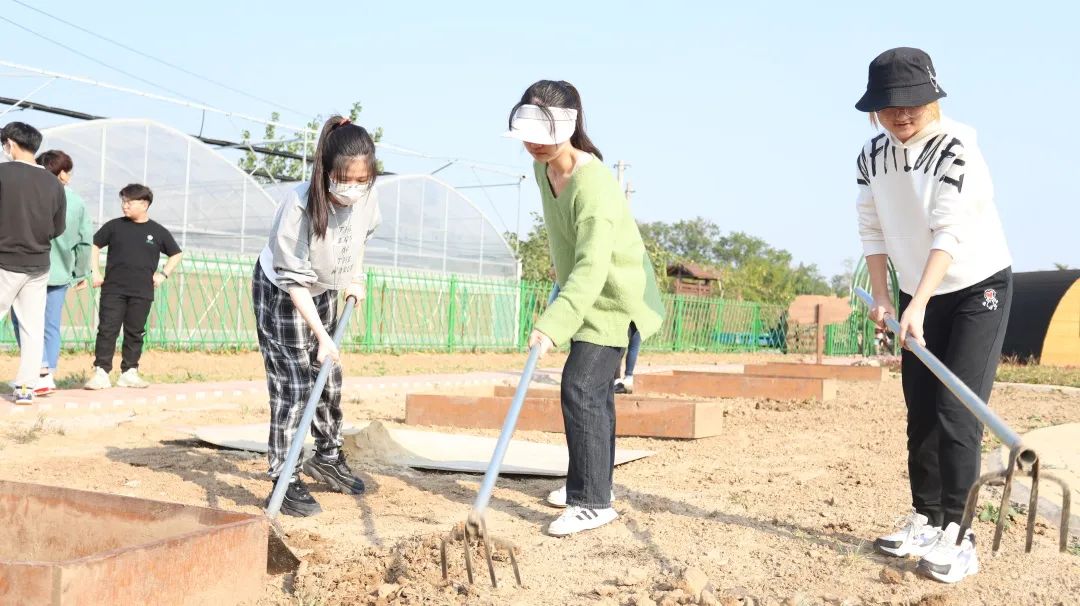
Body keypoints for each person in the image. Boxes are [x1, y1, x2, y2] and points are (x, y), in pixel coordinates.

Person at [854, 48, 1013, 584]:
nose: (902, 114)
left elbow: (949, 232)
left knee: (956, 411)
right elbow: (872, 230)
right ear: (874, 108)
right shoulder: (871, 157)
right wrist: (884, 296)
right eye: (889, 105)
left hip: (974, 287)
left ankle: (960, 535)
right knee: (921, 409)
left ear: (933, 99)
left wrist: (916, 303)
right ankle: (927, 519)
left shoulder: (957, 147)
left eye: (913, 103)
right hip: (917, 291)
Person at [505, 80, 665, 536]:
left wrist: (553, 323)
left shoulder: (593, 185)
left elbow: (595, 266)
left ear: (569, 126)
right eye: (528, 135)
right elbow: (565, 241)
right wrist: (561, 288)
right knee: (592, 393)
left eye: (544, 134)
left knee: (580, 386)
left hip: (615, 297)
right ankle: (591, 482)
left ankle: (593, 502)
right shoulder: (543, 169)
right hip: (583, 290)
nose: (534, 144)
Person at [253, 116, 381, 517]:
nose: (353, 188)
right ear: (325, 171)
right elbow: (293, 281)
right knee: (294, 386)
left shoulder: (366, 197)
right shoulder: (298, 206)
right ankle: (284, 475)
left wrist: (355, 277)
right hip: (284, 292)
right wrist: (322, 336)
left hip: (324, 289)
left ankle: (327, 456)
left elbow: (358, 239)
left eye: (362, 180)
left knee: (329, 378)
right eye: (345, 179)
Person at [10, 150, 93, 396]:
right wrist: (80, 273)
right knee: (50, 324)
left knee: (23, 321)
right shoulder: (77, 202)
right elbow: (84, 241)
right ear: (63, 174)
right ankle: (46, 375)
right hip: (59, 272)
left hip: (27, 267)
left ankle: (40, 371)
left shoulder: (31, 194)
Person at [84, 184, 183, 390]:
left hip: (142, 291)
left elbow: (176, 253)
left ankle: (129, 372)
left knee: (135, 332)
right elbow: (94, 245)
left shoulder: (157, 231)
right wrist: (95, 271)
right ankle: (101, 372)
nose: (125, 206)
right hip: (113, 289)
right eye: (123, 201)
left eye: (129, 202)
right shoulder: (114, 226)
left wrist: (163, 274)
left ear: (144, 204)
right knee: (107, 330)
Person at [0, 122, 66, 405]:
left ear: (11, 144)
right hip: (38, 264)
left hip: (4, 260)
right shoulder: (53, 183)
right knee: (32, 327)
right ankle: (26, 387)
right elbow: (58, 227)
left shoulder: (2, 173)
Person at [614, 323, 640, 394]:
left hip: (625, 321)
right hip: (639, 321)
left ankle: (617, 381)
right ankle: (629, 378)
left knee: (619, 348)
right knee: (633, 348)